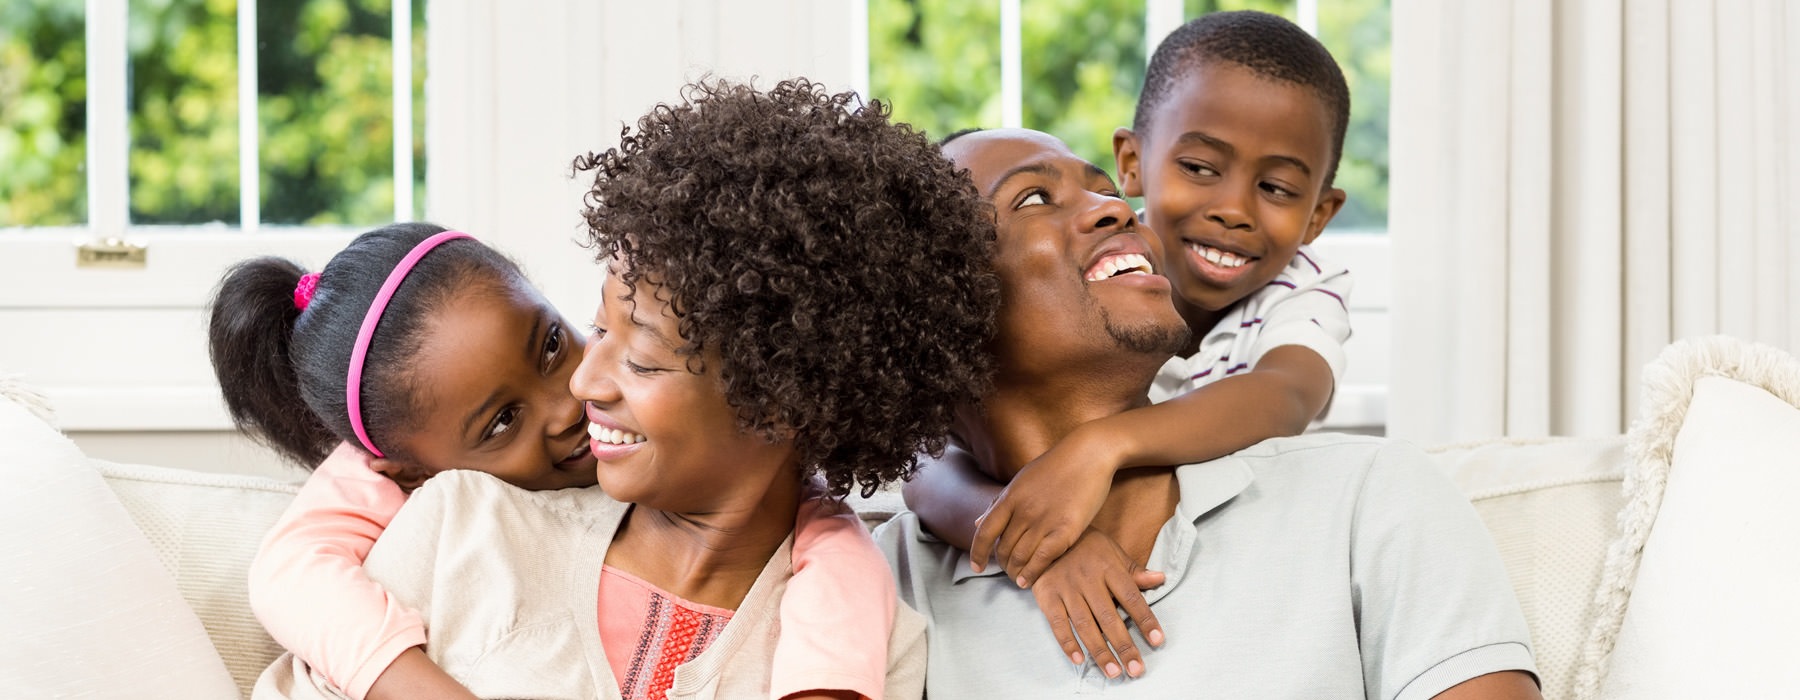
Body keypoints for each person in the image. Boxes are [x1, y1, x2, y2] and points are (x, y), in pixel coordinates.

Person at [250, 77, 999, 699]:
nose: (579, 381)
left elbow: (839, 536)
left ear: (779, 395)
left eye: (638, 360)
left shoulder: (862, 627)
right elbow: (294, 574)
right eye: (598, 328)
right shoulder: (454, 517)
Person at [874, 127, 1540, 698]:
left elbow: (1286, 389)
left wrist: (1099, 448)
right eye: (1035, 198)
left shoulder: (1372, 500)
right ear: (936, 307)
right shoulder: (881, 582)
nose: (1115, 208)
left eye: (1108, 187)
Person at [210, 224, 908, 699]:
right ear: (411, 471)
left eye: (550, 345)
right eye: (503, 420)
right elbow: (291, 571)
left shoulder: (661, 436)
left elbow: (822, 526)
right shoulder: (408, 484)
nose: (570, 397)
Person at [901, 10, 1359, 677]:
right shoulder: (1112, 251)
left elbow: (1286, 394)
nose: (1234, 209)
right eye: (1201, 167)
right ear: (1135, 164)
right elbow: (922, 466)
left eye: (1276, 188)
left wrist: (1103, 446)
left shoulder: (1301, 292)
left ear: (1318, 214)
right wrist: (1031, 545)